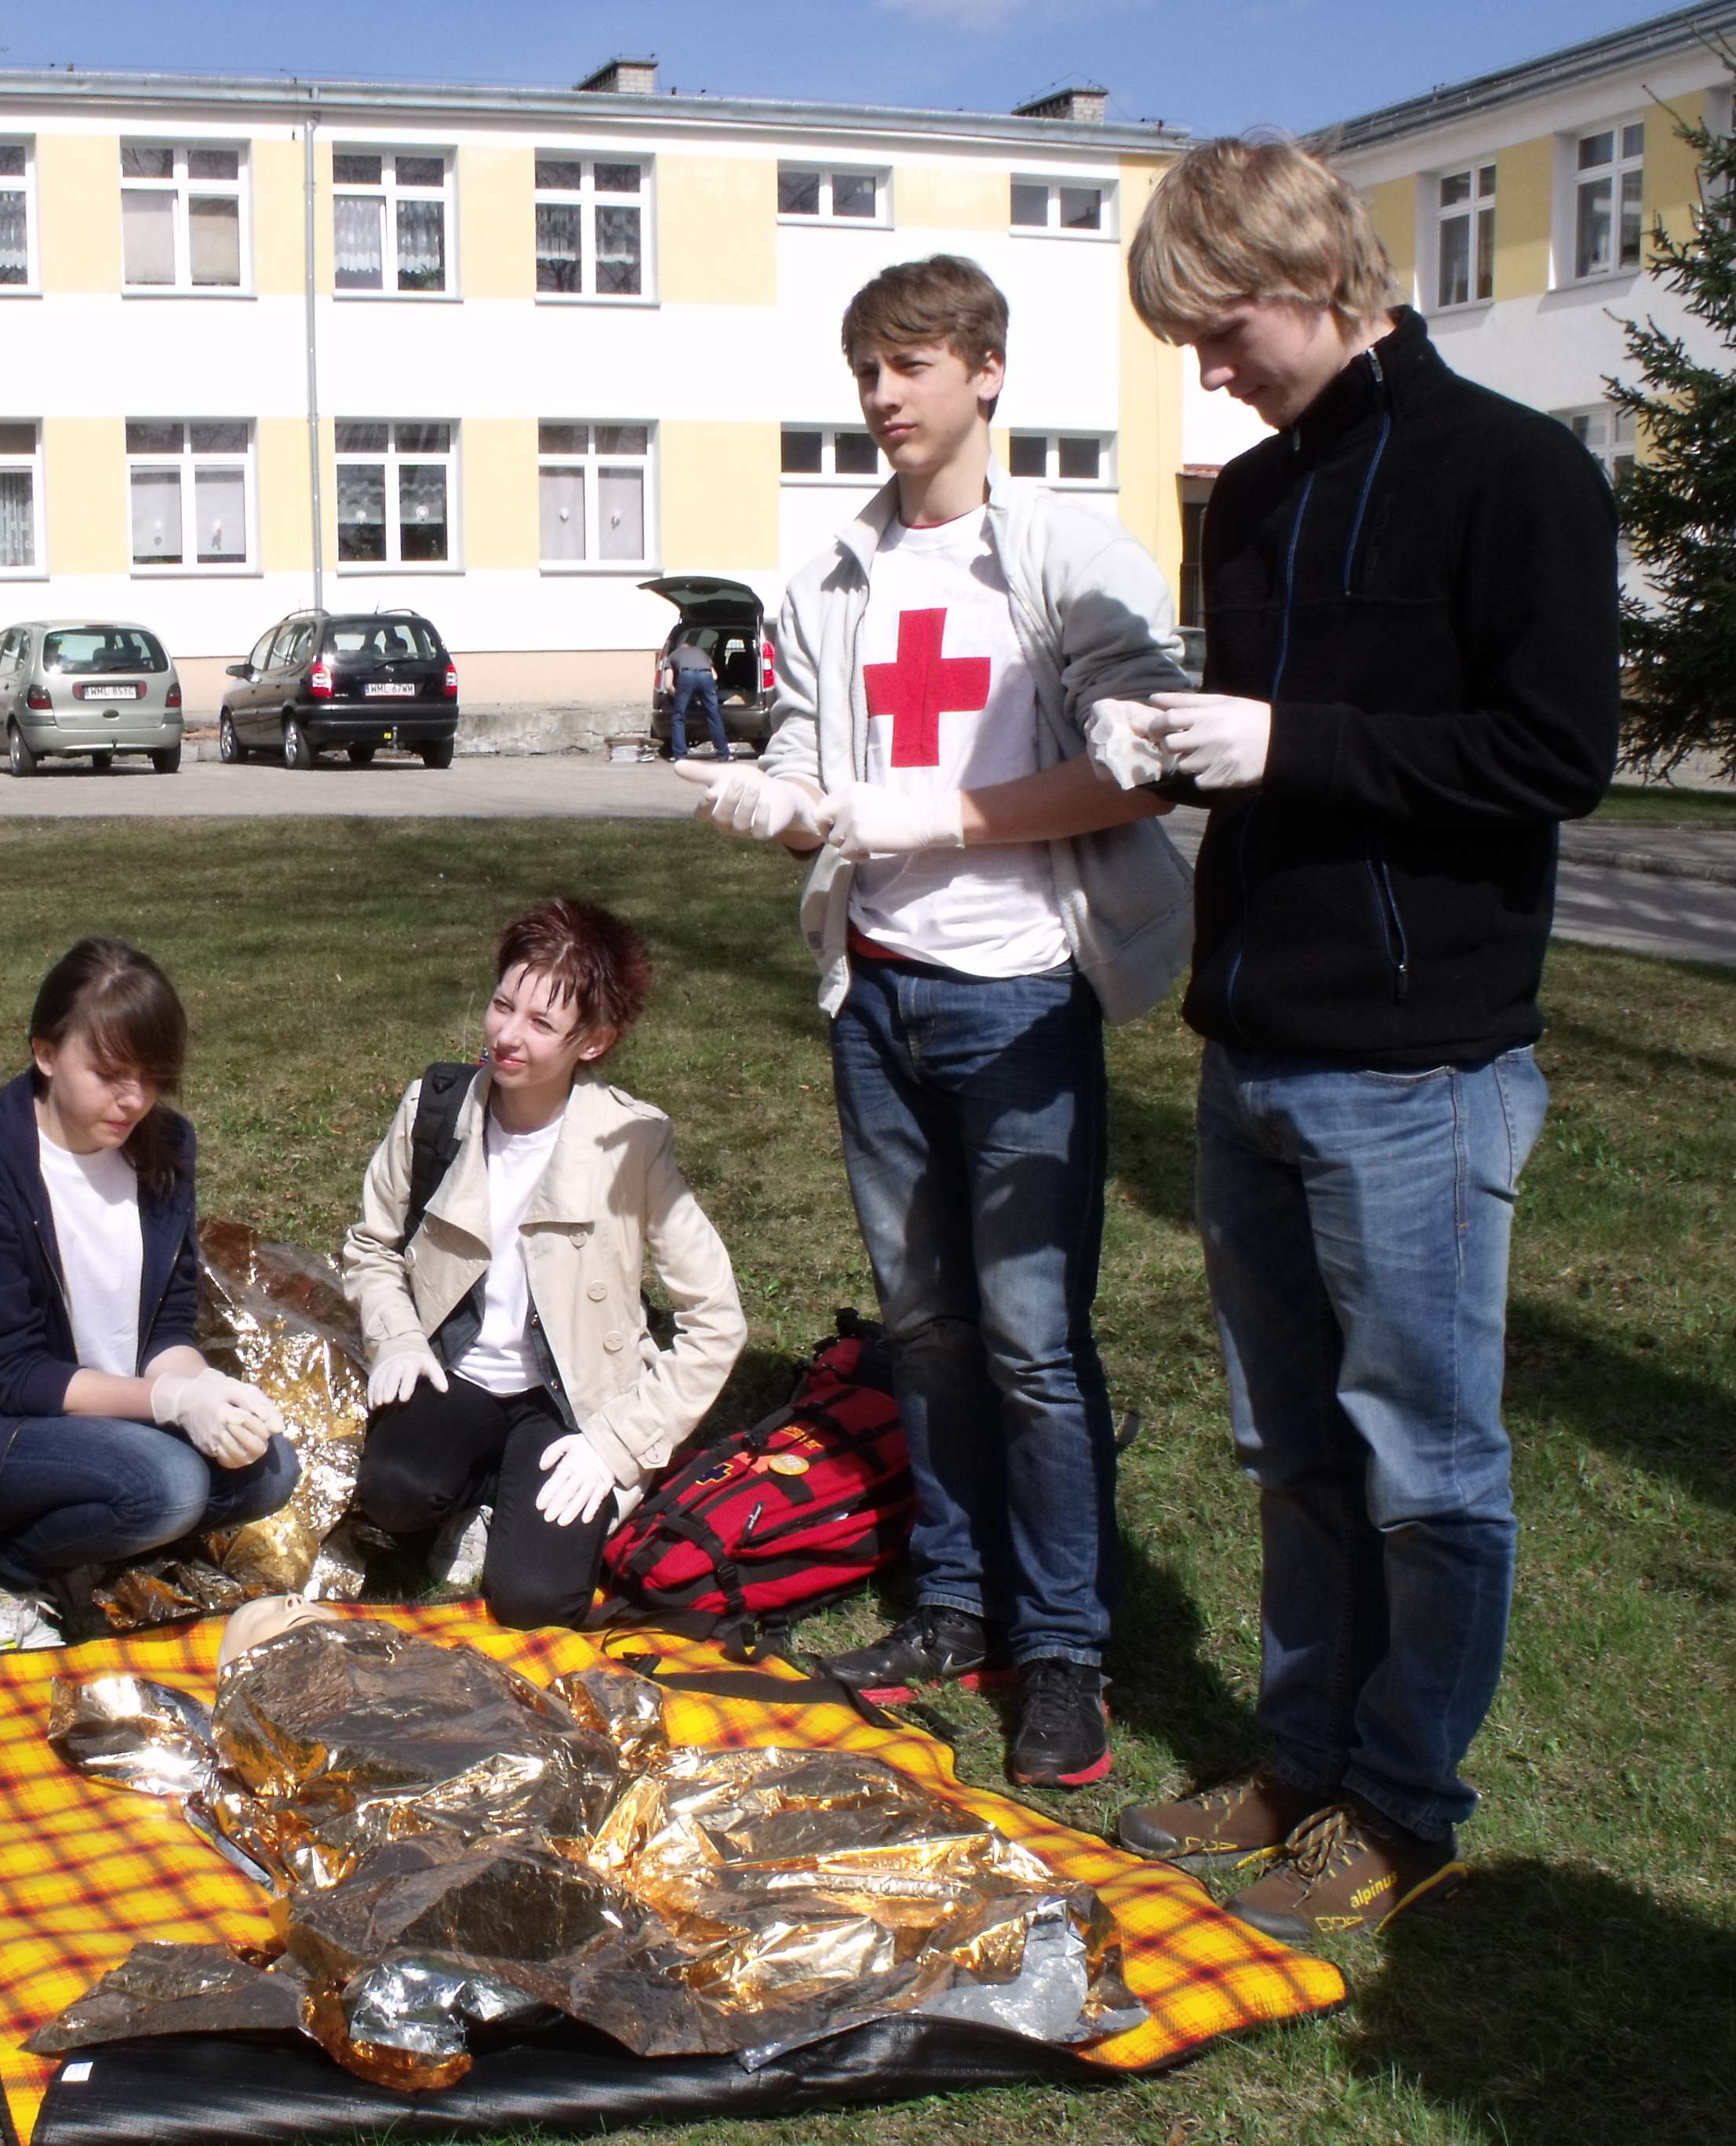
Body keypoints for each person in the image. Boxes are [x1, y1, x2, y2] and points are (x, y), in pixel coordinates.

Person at [1106, 137, 1618, 1940]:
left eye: (1223, 329)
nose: (1209, 371)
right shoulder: (1251, 497)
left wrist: (1289, 744)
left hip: (1419, 1067)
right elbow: (1280, 752)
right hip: (1252, 1046)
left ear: (1324, 275)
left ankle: (1402, 1805)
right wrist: (1183, 749)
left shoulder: (1517, 473)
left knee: (1426, 1463)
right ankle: (1298, 1754)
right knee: (1291, 1452)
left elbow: (1555, 755)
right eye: (1185, 341)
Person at [676, 253, 1196, 1788]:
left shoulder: (1065, 555)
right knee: (925, 1328)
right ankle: (955, 1606)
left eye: (908, 365)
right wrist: (775, 804)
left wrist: (936, 816)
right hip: (878, 991)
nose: (880, 397)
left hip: (1018, 995)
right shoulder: (834, 574)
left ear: (985, 372)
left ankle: (1063, 1650)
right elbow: (813, 772)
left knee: (1032, 1339)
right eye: (865, 371)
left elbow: (1142, 766)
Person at [338, 898, 746, 1630]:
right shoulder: (435, 1108)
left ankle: (509, 1503)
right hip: (455, 1372)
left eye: (540, 1023)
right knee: (394, 1492)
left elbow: (716, 1320)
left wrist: (616, 1444)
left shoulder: (632, 1142)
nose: (506, 1036)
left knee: (535, 1601)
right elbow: (371, 1247)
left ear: (594, 1041)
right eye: (502, 1005)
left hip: (569, 1402)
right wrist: (396, 1337)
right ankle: (477, 1495)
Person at [0, 937, 300, 1650]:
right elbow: (12, 1375)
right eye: (109, 1074)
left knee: (270, 1470)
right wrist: (170, 1404)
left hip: (110, 1404)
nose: (134, 1100)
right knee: (169, 1488)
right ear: (46, 1053)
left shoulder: (164, 1145)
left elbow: (168, 1321)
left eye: (153, 1077)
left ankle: (94, 1535)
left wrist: (201, 1387)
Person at [664, 633, 731, 762]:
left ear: (679, 648)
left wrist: (680, 696)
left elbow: (668, 685)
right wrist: (701, 695)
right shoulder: (701, 653)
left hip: (686, 675)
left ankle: (680, 755)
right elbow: (715, 677)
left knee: (679, 717)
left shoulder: (673, 655)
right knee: (714, 715)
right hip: (706, 675)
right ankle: (723, 753)